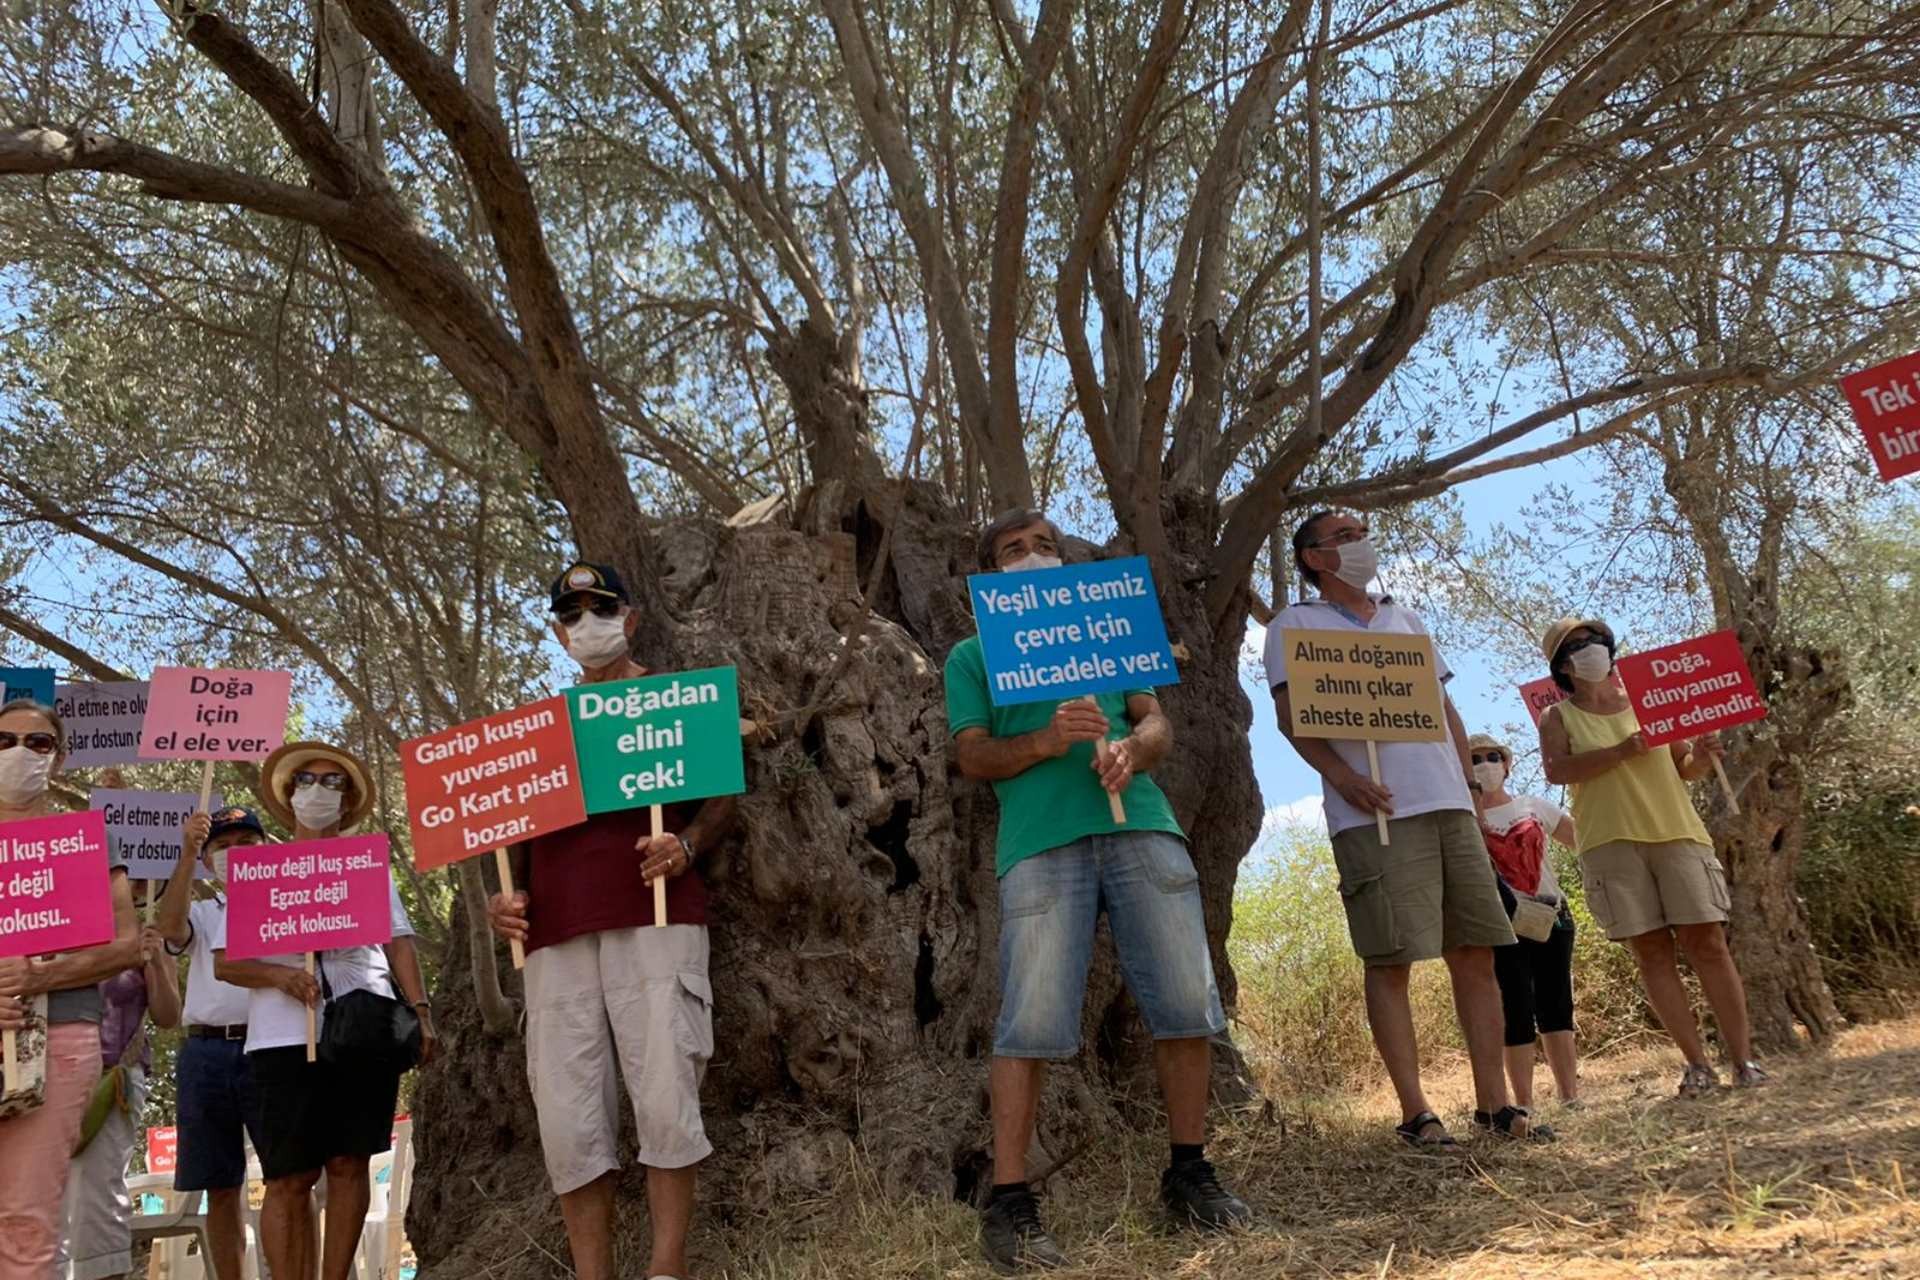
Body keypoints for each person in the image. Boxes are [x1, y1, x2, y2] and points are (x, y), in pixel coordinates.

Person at [944, 510, 1251, 1274]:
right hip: (1040, 845)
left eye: (1045, 545)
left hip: (1142, 827)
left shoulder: (1107, 631)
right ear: (988, 577)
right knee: (1032, 1018)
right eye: (1012, 550)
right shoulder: (970, 654)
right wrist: (1046, 741)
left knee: (1186, 1004)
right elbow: (972, 756)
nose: (1033, 558)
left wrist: (1132, 754)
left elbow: (1156, 724)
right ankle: (1011, 1202)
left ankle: (1189, 1173)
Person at [487, 560, 737, 1280]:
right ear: (559, 636)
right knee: (568, 1124)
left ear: (629, 619)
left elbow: (725, 795)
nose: (585, 623)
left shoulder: (675, 701)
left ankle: (667, 1268)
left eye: (599, 608)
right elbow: (503, 838)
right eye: (570, 614)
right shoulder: (536, 729)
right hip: (554, 941)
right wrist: (500, 902)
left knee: (666, 1100)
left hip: (655, 921)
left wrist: (687, 845)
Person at [1266, 512, 1541, 1148]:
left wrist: (1471, 791)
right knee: (1391, 957)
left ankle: (1495, 1105)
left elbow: (1446, 709)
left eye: (1362, 532)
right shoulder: (1294, 625)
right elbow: (1291, 716)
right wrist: (1344, 778)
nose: (1361, 543)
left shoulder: (1406, 619)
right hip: (1376, 816)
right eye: (1344, 536)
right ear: (1313, 558)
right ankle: (1418, 1111)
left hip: (1449, 805)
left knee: (1475, 951)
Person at [212, 741, 436, 1280]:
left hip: (363, 1028)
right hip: (279, 1041)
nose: (318, 791)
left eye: (332, 782)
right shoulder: (256, 871)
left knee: (349, 1162)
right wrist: (282, 976)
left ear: (348, 799)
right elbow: (226, 963)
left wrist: (423, 1012)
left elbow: (399, 942)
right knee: (289, 1176)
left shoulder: (368, 866)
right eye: (306, 780)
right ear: (289, 797)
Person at [1537, 617, 1765, 1096]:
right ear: (1561, 664)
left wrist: (1703, 754)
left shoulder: (1648, 699)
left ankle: (1745, 1062)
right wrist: (1621, 750)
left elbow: (1686, 768)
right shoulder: (1557, 718)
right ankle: (1698, 1065)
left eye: (1597, 640)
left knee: (1709, 944)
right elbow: (1557, 770)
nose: (1592, 649)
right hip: (1609, 843)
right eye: (1577, 645)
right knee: (1653, 953)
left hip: (1677, 833)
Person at [0, 698, 140, 1280]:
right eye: (4, 740)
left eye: (38, 744)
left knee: (27, 1222)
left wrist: (39, 976)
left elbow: (128, 945)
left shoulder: (85, 842)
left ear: (58, 760)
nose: (20, 754)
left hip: (58, 1043)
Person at [154, 804, 271, 1280]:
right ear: (207, 861)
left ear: (266, 850)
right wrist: (186, 852)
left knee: (290, 1178)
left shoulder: (292, 900)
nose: (235, 854)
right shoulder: (201, 912)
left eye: (247, 844)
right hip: (207, 1053)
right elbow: (167, 929)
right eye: (222, 847)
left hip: (272, 1048)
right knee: (219, 1185)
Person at [56, 924, 182, 1280]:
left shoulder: (143, 932)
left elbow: (169, 1015)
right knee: (45, 1203)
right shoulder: (53, 922)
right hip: (48, 1077)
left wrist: (155, 961)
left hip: (113, 1082)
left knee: (97, 1197)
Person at [1469, 733, 1580, 1112]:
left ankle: (1570, 1096)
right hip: (1501, 925)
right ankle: (1525, 1104)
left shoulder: (1533, 806)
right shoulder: (1464, 822)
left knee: (1557, 1006)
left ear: (1507, 762)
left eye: (1492, 756)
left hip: (1552, 915)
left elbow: (1583, 840)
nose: (1485, 764)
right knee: (1515, 1009)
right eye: (1475, 759)